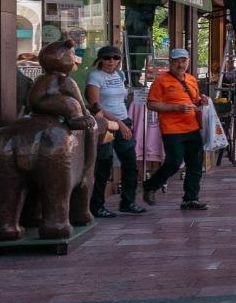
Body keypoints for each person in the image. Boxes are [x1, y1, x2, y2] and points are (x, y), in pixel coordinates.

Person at [141, 48, 208, 210]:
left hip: (192, 127)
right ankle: (151, 185)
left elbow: (195, 99)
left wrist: (201, 101)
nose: (181, 64)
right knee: (174, 162)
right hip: (172, 129)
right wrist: (176, 108)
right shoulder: (161, 80)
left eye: (184, 61)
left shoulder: (191, 79)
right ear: (170, 62)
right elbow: (151, 104)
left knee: (195, 164)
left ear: (188, 62)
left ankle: (190, 199)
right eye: (177, 61)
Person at [86, 46, 144, 217]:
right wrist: (118, 122)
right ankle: (97, 206)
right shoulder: (95, 76)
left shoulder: (120, 75)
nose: (112, 61)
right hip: (107, 124)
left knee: (130, 163)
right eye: (107, 58)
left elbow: (122, 97)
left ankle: (128, 201)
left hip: (123, 120)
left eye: (115, 57)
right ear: (100, 59)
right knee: (103, 165)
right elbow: (95, 105)